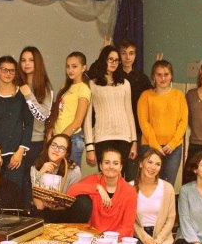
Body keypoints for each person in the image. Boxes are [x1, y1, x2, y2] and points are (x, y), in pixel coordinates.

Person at [0, 56, 33, 208]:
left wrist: (20, 151)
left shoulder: (21, 94)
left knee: (14, 193)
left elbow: (29, 124)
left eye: (12, 71)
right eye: (4, 70)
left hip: (15, 154)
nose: (8, 74)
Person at [84, 45, 137, 178]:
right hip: (102, 137)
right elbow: (87, 118)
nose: (114, 63)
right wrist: (89, 146)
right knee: (105, 177)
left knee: (120, 178)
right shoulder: (92, 84)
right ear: (103, 60)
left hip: (124, 137)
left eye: (116, 60)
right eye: (110, 59)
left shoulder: (125, 84)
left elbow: (129, 113)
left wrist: (134, 141)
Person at [137, 60, 188, 185]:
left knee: (168, 185)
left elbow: (183, 122)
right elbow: (144, 123)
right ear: (153, 76)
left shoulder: (179, 95)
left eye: (166, 74)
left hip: (173, 149)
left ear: (171, 76)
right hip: (149, 146)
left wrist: (172, 144)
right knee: (148, 183)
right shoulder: (145, 96)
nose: (163, 78)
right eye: (159, 74)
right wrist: (155, 146)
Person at [67, 147, 136, 237]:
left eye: (115, 163)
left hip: (116, 239)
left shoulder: (130, 191)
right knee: (82, 202)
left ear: (121, 167)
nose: (111, 167)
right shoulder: (93, 180)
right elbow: (70, 191)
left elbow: (127, 227)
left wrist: (106, 239)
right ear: (100, 166)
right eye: (107, 163)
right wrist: (97, 187)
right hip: (91, 237)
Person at [18, 46, 53, 210]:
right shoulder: (16, 84)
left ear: (37, 62)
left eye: (31, 60)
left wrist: (28, 94)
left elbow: (42, 116)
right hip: (16, 142)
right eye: (23, 60)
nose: (26, 63)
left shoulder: (45, 87)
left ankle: (30, 215)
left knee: (30, 181)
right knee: (16, 182)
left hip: (35, 142)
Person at [30, 134, 90, 223]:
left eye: (62, 148)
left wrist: (56, 205)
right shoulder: (36, 167)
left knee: (84, 202)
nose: (56, 150)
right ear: (48, 147)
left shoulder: (74, 170)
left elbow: (70, 201)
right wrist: (41, 174)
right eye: (53, 145)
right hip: (42, 211)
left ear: (67, 153)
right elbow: (39, 206)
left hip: (63, 211)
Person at [131, 148, 176, 244]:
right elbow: (130, 220)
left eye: (157, 164)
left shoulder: (167, 188)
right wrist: (144, 238)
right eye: (150, 162)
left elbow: (170, 219)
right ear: (141, 164)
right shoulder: (130, 187)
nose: (153, 167)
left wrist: (157, 241)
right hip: (138, 236)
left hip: (163, 239)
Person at [47, 51, 91, 165]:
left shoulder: (83, 88)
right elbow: (58, 112)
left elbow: (78, 122)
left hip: (72, 139)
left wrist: (61, 139)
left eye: (74, 66)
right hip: (58, 137)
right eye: (68, 66)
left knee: (70, 173)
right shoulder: (65, 86)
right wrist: (51, 132)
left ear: (83, 68)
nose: (70, 70)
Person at [119, 39, 152, 182]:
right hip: (117, 130)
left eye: (131, 53)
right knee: (115, 172)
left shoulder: (142, 78)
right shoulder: (114, 76)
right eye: (124, 53)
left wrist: (156, 75)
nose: (127, 57)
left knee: (132, 174)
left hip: (136, 131)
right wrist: (104, 56)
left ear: (135, 56)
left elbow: (152, 98)